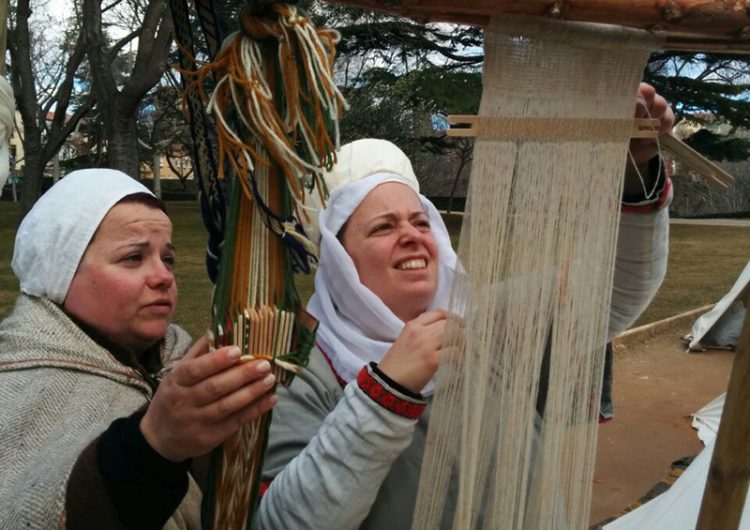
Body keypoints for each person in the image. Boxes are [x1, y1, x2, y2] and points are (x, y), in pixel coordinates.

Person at [256, 83, 675, 529]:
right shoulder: (299, 371)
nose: (414, 235)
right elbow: (283, 522)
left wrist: (636, 167)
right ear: (339, 261)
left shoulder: (481, 321)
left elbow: (609, 290)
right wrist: (387, 390)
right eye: (383, 227)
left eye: (421, 220)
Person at [0, 169, 278, 529]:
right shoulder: (15, 387)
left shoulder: (182, 358)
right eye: (133, 257)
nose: (164, 276)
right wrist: (151, 447)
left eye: (168, 258)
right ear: (60, 272)